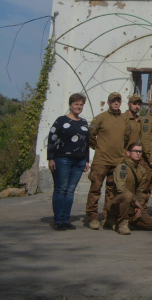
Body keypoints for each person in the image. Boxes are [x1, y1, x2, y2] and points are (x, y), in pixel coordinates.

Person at [48, 92, 91, 230]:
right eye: (76, 104)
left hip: (79, 161)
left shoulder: (84, 122)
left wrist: (86, 160)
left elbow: (86, 142)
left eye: (81, 105)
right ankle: (58, 220)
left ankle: (66, 219)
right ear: (70, 105)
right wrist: (50, 158)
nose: (79, 107)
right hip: (62, 159)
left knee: (71, 191)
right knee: (61, 189)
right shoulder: (61, 120)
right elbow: (52, 139)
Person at [86, 92, 128, 230]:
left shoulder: (124, 119)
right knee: (95, 189)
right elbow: (91, 134)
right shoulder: (100, 118)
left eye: (118, 101)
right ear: (109, 102)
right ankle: (92, 218)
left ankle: (108, 218)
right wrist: (96, 147)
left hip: (117, 161)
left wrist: (122, 151)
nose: (116, 103)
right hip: (101, 160)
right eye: (113, 101)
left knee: (112, 192)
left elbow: (126, 137)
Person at [104, 143, 152, 234]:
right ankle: (122, 224)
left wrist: (138, 207)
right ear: (128, 153)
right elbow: (121, 189)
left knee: (150, 224)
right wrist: (135, 201)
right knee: (128, 194)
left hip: (131, 204)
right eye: (135, 151)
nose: (138, 153)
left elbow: (139, 191)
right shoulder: (122, 168)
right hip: (117, 203)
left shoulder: (142, 170)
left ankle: (123, 220)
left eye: (140, 151)